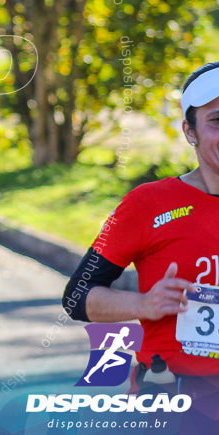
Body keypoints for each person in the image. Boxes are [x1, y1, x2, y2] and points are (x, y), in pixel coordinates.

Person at [63, 61, 219, 428]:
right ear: (190, 132)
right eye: (218, 120)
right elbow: (77, 295)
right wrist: (143, 303)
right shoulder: (147, 204)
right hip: (177, 399)